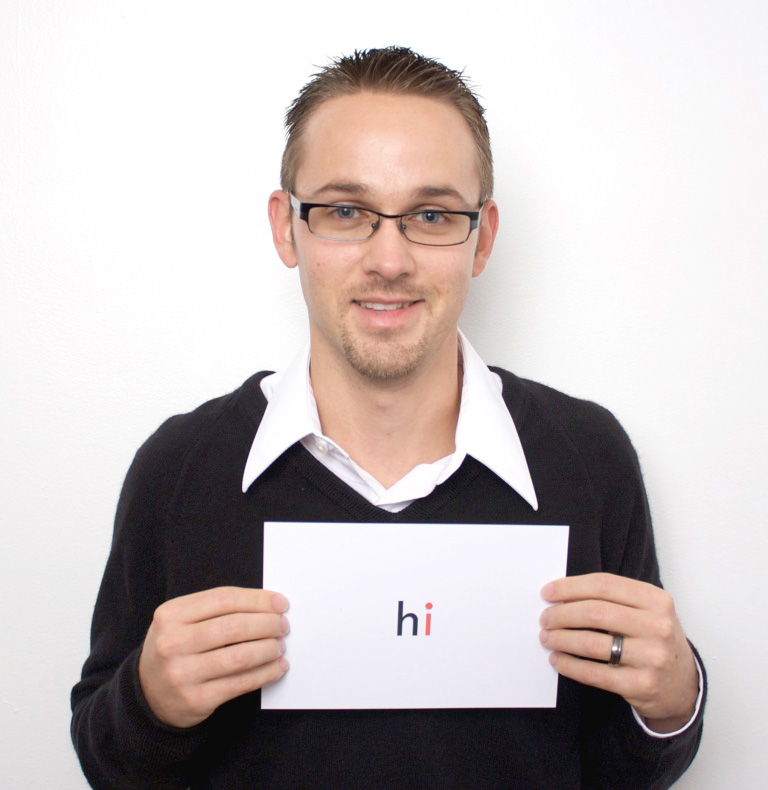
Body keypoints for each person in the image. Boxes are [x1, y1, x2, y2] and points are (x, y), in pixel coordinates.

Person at [71, 47, 705, 788]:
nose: (390, 259)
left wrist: (671, 704)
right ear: (287, 228)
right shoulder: (181, 468)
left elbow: (617, 772)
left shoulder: (588, 458)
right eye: (346, 212)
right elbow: (105, 761)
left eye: (432, 215)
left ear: (484, 237)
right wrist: (149, 703)